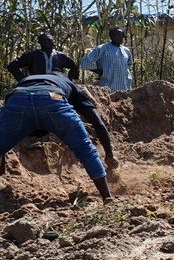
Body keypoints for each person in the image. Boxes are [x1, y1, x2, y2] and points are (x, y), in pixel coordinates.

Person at [0, 74, 119, 203]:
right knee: (85, 150)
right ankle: (107, 197)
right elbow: (98, 123)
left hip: (18, 99)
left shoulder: (26, 81)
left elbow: (10, 109)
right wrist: (109, 154)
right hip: (52, 98)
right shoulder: (71, 87)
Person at [7, 33, 79, 82]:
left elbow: (74, 67)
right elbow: (12, 66)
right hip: (36, 83)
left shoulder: (60, 56)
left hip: (57, 83)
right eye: (43, 40)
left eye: (49, 40)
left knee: (78, 95)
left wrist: (69, 80)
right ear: (39, 42)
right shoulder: (31, 55)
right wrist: (23, 80)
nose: (47, 42)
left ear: (53, 42)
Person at [81, 27, 133, 91]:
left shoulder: (126, 50)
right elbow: (85, 62)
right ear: (111, 36)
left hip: (124, 88)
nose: (118, 37)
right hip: (108, 88)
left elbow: (129, 64)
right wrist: (101, 72)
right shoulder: (102, 49)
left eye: (120, 35)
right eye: (115, 35)